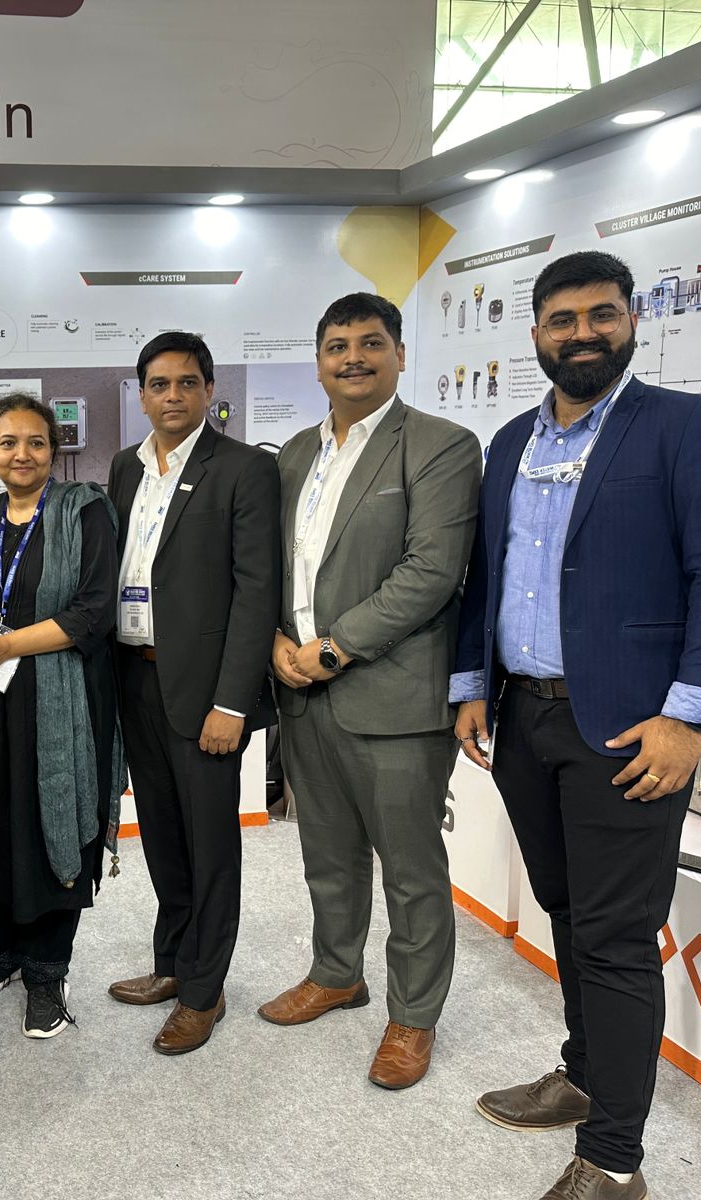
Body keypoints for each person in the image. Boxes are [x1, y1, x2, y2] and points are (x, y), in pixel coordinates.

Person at [452, 251, 701, 1200]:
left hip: (632, 733)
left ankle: (615, 1160)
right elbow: (487, 573)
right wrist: (471, 683)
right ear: (536, 334)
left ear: (632, 321)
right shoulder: (511, 440)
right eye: (563, 319)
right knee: (566, 913)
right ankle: (584, 1073)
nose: (582, 333)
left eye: (602, 315)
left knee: (618, 940)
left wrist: (690, 717)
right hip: (525, 720)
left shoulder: (687, 426)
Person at [262, 293, 481, 1091]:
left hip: (392, 696)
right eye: (337, 346)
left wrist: (333, 647)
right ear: (318, 362)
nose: (352, 357)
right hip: (302, 691)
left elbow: (430, 572)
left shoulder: (440, 445)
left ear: (398, 354)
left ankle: (413, 1016)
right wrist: (276, 642)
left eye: (370, 343)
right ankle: (336, 973)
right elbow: (272, 566)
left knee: (410, 869)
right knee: (327, 854)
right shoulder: (293, 453)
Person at [105, 331, 280, 1055]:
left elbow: (257, 591)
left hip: (205, 691)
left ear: (210, 391)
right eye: (158, 384)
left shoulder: (243, 468)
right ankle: (173, 963)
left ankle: (204, 992)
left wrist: (232, 703)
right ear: (142, 395)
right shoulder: (124, 467)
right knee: (163, 836)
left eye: (186, 383)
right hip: (135, 676)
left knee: (209, 845)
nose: (172, 396)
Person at [0, 392, 124, 1039]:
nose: (22, 454)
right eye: (8, 442)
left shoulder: (84, 511)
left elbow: (93, 611)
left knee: (53, 827)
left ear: (54, 449)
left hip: (58, 701)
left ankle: (48, 969)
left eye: (36, 442)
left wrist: (9, 644)